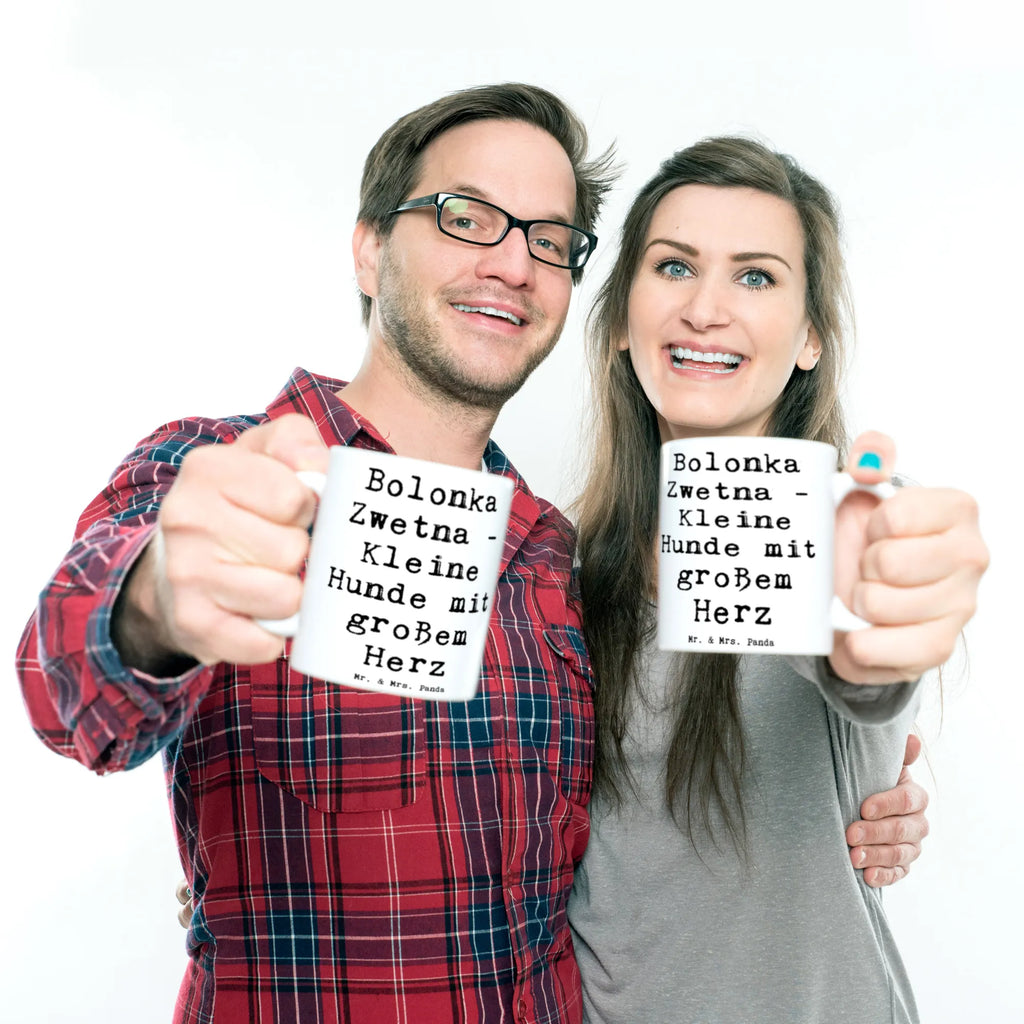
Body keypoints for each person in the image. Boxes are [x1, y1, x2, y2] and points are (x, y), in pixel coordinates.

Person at [18, 83, 935, 1024]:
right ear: (371, 247)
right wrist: (158, 604)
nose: (511, 262)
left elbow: (830, 685)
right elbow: (64, 688)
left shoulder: (551, 557)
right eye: (467, 218)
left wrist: (869, 780)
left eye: (547, 239)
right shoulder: (219, 473)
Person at [568, 136, 989, 1023]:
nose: (707, 309)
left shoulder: (848, 526)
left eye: (755, 277)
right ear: (617, 321)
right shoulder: (563, 571)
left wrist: (882, 626)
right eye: (674, 266)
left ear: (809, 340)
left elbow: (861, 663)